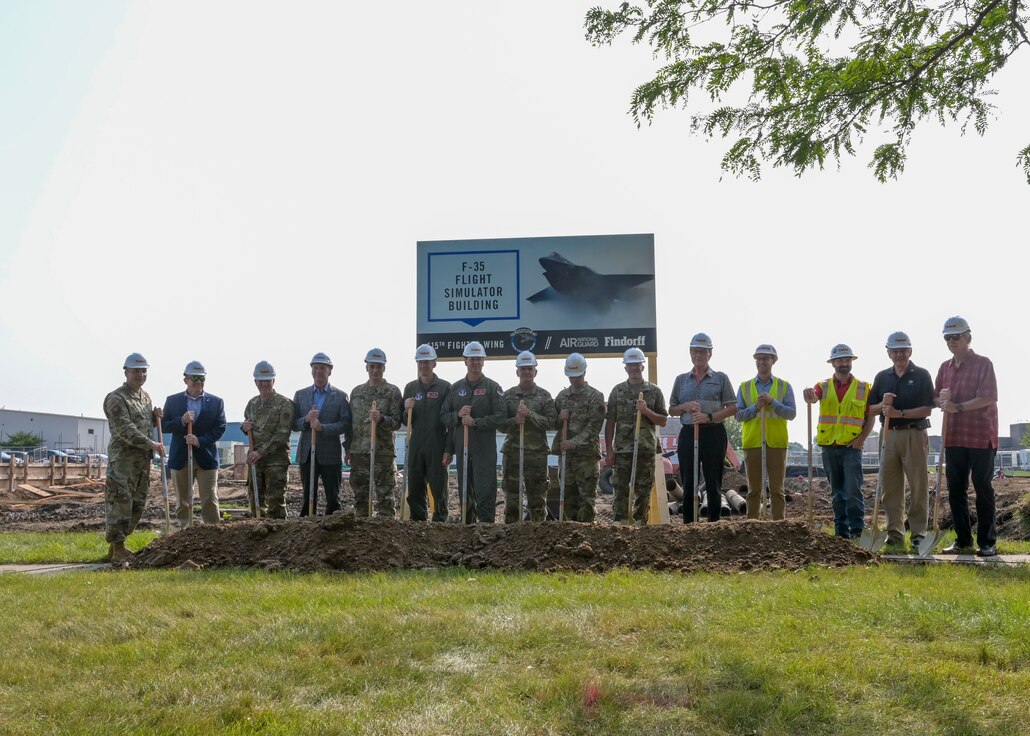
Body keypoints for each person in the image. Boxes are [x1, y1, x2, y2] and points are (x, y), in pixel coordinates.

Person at [934, 316, 999, 557]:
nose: (952, 341)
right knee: (955, 490)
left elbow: (988, 397)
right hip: (954, 437)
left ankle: (987, 542)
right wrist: (941, 399)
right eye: (947, 338)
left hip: (981, 436)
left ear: (968, 338)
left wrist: (957, 407)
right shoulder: (944, 368)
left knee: (983, 487)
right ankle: (963, 540)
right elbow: (935, 398)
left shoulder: (984, 364)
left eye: (956, 337)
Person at [868, 332, 934, 550]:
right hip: (888, 435)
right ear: (888, 353)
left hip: (914, 433)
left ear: (910, 351)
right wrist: (882, 407)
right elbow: (870, 408)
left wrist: (899, 413)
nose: (899, 354)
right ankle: (894, 533)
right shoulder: (881, 377)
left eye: (903, 350)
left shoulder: (922, 375)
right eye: (895, 351)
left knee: (918, 486)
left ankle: (918, 534)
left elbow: (927, 408)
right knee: (890, 488)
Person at [803, 344, 875, 539]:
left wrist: (861, 440)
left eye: (847, 360)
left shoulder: (864, 388)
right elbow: (812, 398)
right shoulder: (823, 386)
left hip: (852, 446)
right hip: (829, 446)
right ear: (833, 363)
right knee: (837, 492)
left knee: (853, 490)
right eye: (840, 360)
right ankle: (841, 532)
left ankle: (857, 530)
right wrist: (808, 395)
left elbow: (871, 417)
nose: (844, 363)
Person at [103, 353, 164, 564]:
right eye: (136, 370)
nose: (140, 375)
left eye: (143, 371)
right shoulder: (116, 398)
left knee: (137, 504)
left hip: (142, 463)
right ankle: (117, 546)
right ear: (126, 371)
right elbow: (125, 429)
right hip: (123, 463)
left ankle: (117, 547)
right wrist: (152, 444)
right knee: (120, 502)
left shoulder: (145, 397)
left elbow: (143, 426)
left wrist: (155, 419)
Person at [669, 333, 736, 523]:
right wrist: (685, 407)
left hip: (713, 433)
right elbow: (671, 409)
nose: (698, 355)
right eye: (695, 351)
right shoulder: (681, 380)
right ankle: (690, 524)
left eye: (702, 352)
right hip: (689, 433)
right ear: (690, 353)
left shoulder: (720, 378)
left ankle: (713, 524)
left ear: (710, 354)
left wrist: (709, 416)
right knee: (689, 481)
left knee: (713, 481)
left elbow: (732, 407)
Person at [440, 341, 507, 523]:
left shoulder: (493, 388)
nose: (475, 363)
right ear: (465, 361)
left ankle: (485, 527)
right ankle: (466, 526)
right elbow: (444, 416)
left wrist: (476, 422)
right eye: (472, 359)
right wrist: (457, 415)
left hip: (483, 449)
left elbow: (501, 417)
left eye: (478, 359)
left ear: (483, 361)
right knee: (464, 490)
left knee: (485, 489)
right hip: (462, 447)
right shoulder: (455, 389)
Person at [604, 347, 668, 523]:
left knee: (643, 490)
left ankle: (640, 525)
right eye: (630, 365)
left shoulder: (654, 391)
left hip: (645, 449)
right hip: (623, 451)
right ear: (625, 368)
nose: (633, 368)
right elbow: (610, 422)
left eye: (636, 365)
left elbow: (663, 420)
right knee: (621, 489)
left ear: (642, 366)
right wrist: (609, 451)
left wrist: (646, 410)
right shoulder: (617, 391)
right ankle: (621, 524)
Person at [161, 360, 226, 529]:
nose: (198, 382)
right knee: (183, 501)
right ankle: (184, 531)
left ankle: (213, 532)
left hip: (206, 458)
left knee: (210, 499)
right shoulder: (173, 401)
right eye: (194, 378)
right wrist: (181, 421)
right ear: (185, 380)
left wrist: (200, 441)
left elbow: (220, 427)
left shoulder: (216, 402)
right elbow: (164, 425)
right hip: (181, 458)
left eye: (202, 379)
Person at [734, 344, 796, 520]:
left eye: (766, 358)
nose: (762, 361)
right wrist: (756, 407)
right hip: (752, 443)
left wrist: (772, 402)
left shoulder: (784, 386)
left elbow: (791, 413)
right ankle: (752, 525)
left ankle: (778, 526)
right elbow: (738, 415)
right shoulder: (744, 387)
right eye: (759, 358)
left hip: (776, 443)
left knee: (777, 490)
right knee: (753, 489)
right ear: (755, 361)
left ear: (773, 361)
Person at [501, 351, 557, 523]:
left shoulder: (544, 396)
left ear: (535, 372)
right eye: (523, 369)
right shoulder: (508, 396)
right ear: (517, 371)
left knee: (537, 501)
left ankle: (538, 540)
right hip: (513, 454)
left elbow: (552, 422)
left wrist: (530, 414)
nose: (526, 372)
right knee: (512, 501)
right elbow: (501, 424)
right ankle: (511, 538)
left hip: (536, 455)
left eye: (529, 369)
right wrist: (515, 420)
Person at [293, 352, 352, 516]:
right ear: (311, 371)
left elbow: (345, 423)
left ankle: (332, 533)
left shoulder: (340, 396)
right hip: (307, 454)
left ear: (329, 371)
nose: (319, 371)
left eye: (323, 368)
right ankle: (306, 529)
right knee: (308, 497)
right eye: (316, 368)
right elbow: (293, 423)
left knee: (333, 498)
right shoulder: (300, 395)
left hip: (330, 454)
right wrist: (305, 420)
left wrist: (323, 428)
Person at [348, 348, 403, 517]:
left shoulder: (392, 392)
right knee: (361, 498)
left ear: (384, 368)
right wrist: (348, 449)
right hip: (359, 452)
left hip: (382, 453)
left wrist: (381, 419)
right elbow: (351, 425)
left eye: (379, 367)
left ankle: (385, 537)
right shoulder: (356, 393)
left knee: (385, 498)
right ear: (366, 367)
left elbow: (396, 422)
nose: (375, 370)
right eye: (372, 366)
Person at [552, 352, 606, 522]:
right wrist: (559, 418)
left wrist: (573, 443)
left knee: (586, 502)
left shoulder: (595, 396)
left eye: (577, 376)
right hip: (567, 459)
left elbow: (593, 428)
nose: (574, 380)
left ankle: (587, 539)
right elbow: (552, 423)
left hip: (586, 458)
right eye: (571, 376)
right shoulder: (561, 397)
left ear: (584, 372)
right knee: (567, 500)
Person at [402, 345, 453, 521]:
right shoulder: (410, 388)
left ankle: (440, 522)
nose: (424, 366)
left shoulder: (445, 388)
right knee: (415, 487)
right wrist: (406, 409)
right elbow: (404, 420)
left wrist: (448, 449)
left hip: (437, 443)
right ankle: (418, 524)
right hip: (416, 443)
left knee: (439, 487)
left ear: (434, 363)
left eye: (427, 362)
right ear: (417, 363)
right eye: (421, 362)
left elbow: (450, 421)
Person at [241, 360, 294, 519]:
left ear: (273, 381)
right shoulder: (252, 403)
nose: (264, 384)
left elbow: (282, 434)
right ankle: (258, 533)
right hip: (256, 461)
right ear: (255, 381)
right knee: (255, 500)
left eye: (267, 380)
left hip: (275, 462)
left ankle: (277, 538)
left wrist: (261, 452)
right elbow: (248, 426)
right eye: (260, 381)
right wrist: (244, 428)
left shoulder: (284, 404)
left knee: (275, 502)